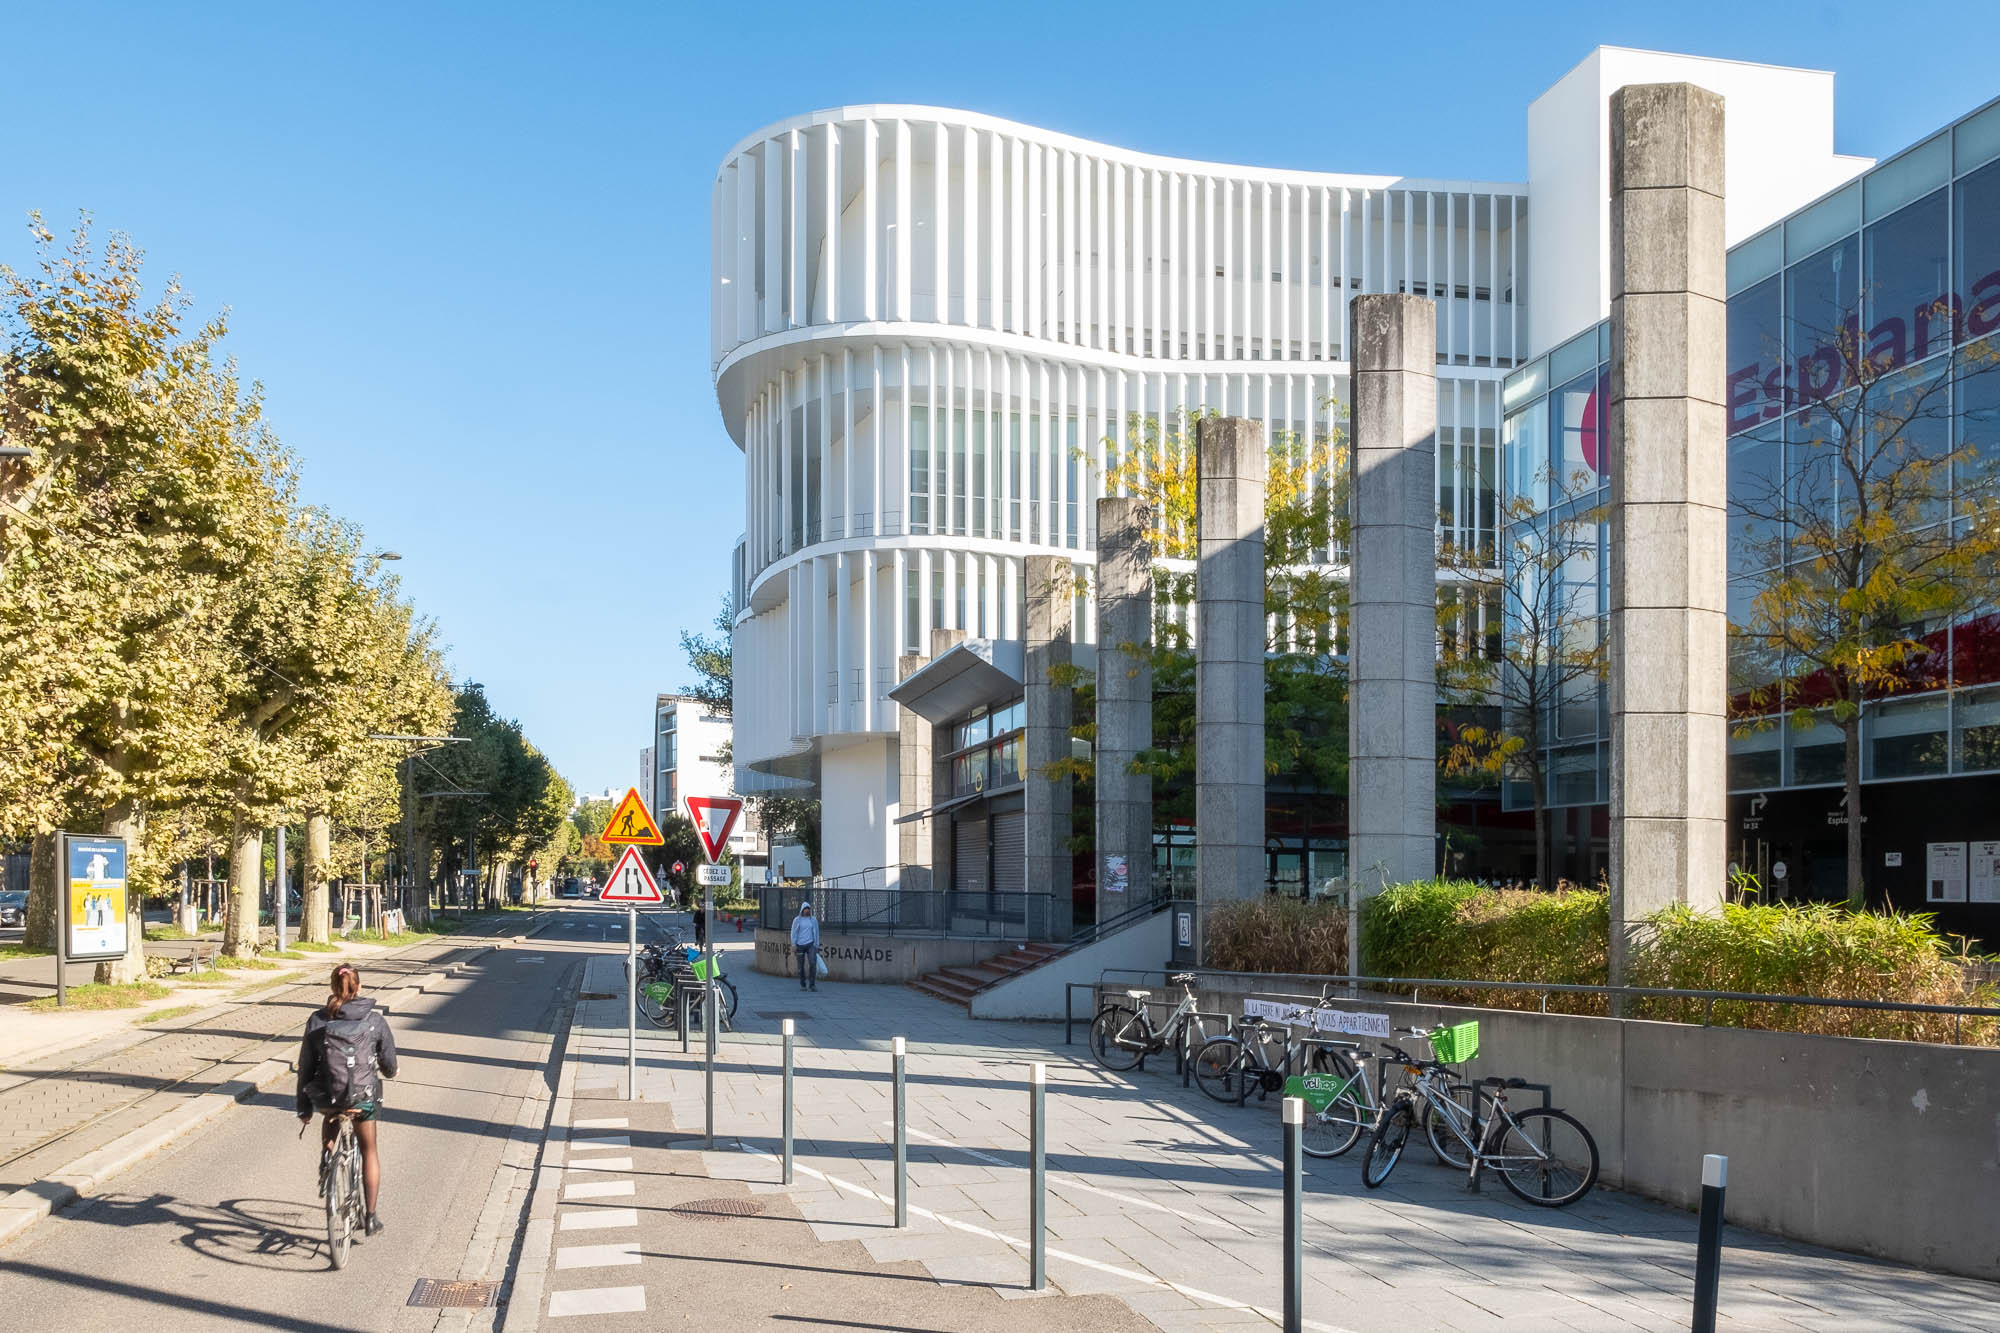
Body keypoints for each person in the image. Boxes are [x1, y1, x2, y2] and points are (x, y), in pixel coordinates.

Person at [297, 963, 398, 1236]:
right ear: (360, 987)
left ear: (332, 987)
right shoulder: (374, 1021)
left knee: (331, 1112)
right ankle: (371, 1217)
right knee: (369, 1152)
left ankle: (328, 1158)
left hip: (329, 1096)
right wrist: (391, 1071)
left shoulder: (317, 1020)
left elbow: (305, 1067)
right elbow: (388, 1063)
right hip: (363, 1098)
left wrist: (303, 1109)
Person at [791, 900, 821, 991]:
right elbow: (793, 932)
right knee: (800, 966)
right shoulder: (797, 920)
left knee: (812, 963)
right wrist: (793, 944)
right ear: (802, 910)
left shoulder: (813, 920)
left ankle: (812, 984)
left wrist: (817, 945)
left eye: (808, 909)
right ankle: (803, 984)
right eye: (805, 909)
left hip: (811, 944)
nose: (807, 911)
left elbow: (816, 932)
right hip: (800, 945)